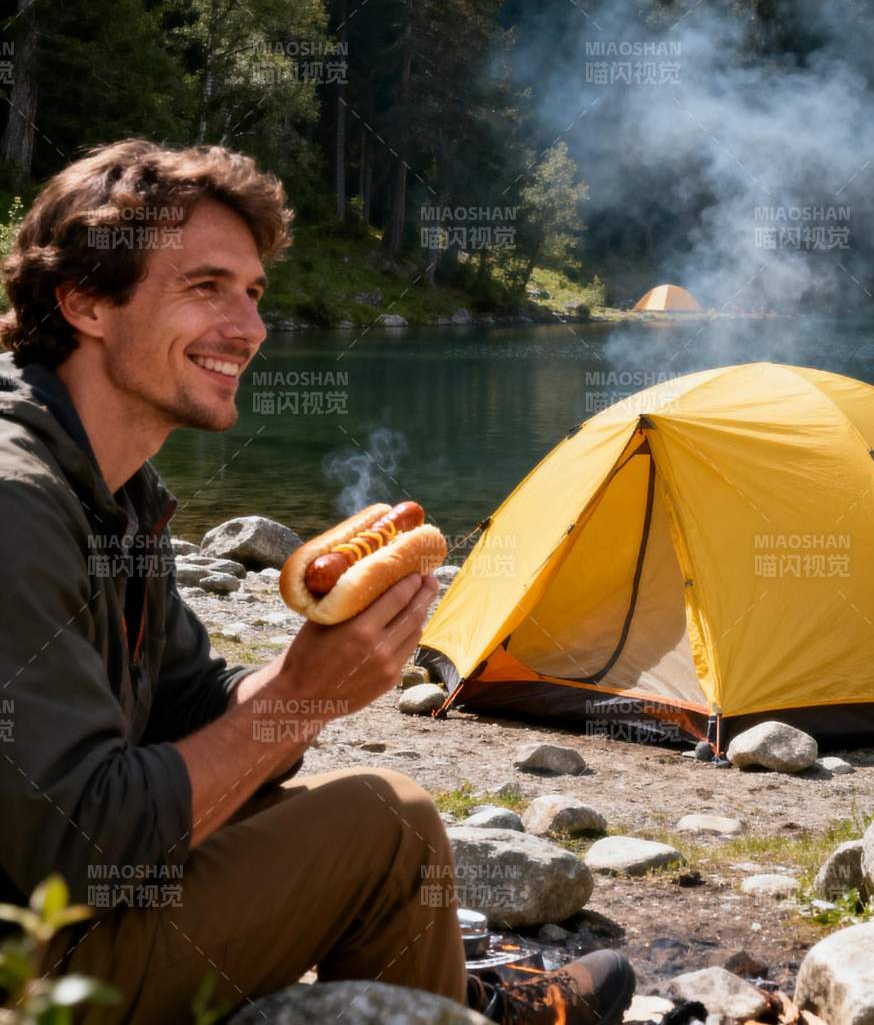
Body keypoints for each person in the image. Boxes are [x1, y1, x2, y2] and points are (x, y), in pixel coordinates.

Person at [0, 139, 635, 1025]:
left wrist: (321, 670)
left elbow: (190, 705)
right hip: (27, 968)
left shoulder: (110, 489)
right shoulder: (17, 501)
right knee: (381, 821)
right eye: (205, 287)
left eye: (253, 293)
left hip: (57, 909)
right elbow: (73, 846)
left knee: (356, 814)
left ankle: (452, 1004)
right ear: (84, 302)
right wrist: (300, 695)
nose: (250, 328)